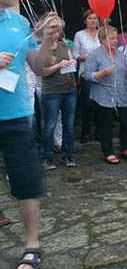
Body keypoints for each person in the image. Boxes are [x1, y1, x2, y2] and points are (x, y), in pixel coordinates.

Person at [0, 0, 60, 269]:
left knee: (26, 181)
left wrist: (47, 41)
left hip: (15, 116)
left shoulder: (20, 22)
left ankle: (32, 244)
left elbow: (36, 65)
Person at [84, 25, 127, 164]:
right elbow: (86, 75)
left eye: (116, 38)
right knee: (105, 124)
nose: (115, 41)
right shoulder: (94, 54)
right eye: (111, 38)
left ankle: (125, 148)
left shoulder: (121, 54)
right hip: (103, 95)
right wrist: (102, 73)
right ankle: (108, 152)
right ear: (102, 40)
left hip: (121, 93)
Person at [37, 14, 78, 169]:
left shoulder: (64, 45)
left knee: (69, 125)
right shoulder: (42, 48)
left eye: (58, 29)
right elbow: (41, 72)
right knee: (49, 126)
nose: (56, 33)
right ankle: (46, 157)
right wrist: (58, 65)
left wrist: (71, 62)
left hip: (70, 89)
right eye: (53, 29)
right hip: (51, 92)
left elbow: (70, 63)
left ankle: (68, 156)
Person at [73, 9, 100, 143]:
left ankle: (99, 132)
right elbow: (75, 56)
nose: (93, 21)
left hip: (102, 74)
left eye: (95, 18)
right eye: (90, 18)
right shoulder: (79, 35)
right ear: (85, 21)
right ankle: (86, 132)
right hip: (87, 73)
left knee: (100, 104)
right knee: (87, 104)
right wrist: (88, 57)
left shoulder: (102, 34)